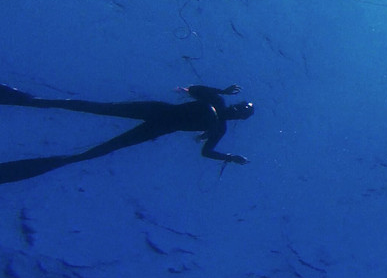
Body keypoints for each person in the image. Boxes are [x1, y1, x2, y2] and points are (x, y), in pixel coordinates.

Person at [0, 83, 253, 184]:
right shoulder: (217, 101)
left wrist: (228, 157)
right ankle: (25, 100)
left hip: (160, 126)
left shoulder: (218, 127)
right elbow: (194, 88)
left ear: (240, 118)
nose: (239, 111)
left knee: (101, 150)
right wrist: (221, 88)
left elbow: (206, 151)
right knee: (93, 108)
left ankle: (26, 167)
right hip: (157, 111)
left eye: (242, 113)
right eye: (241, 107)